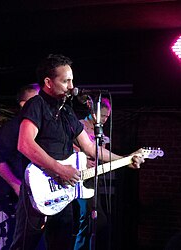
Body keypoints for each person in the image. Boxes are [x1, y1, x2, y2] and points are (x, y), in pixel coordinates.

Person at [10, 54, 144, 250]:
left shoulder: (67, 112)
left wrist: (125, 159)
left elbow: (90, 148)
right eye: (65, 81)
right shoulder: (36, 105)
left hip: (62, 190)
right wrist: (59, 169)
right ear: (48, 82)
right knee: (25, 245)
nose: (72, 86)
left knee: (61, 243)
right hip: (37, 188)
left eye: (72, 80)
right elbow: (25, 144)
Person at [0, 83, 40, 248]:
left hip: (38, 193)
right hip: (19, 196)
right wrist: (16, 185)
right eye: (37, 100)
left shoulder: (39, 127)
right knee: (23, 239)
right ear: (24, 104)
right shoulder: (12, 128)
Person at [73, 97, 111, 250]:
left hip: (92, 178)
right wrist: (82, 158)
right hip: (78, 176)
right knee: (91, 217)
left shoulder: (100, 131)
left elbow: (98, 155)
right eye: (102, 115)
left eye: (107, 116)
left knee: (93, 220)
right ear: (92, 112)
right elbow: (68, 147)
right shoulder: (79, 126)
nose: (104, 119)